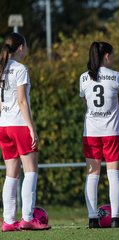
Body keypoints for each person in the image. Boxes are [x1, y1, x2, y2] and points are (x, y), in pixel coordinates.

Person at [0, 32, 50, 231]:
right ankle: (28, 218)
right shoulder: (20, 69)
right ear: (20, 47)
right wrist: (32, 129)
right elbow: (21, 101)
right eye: (26, 46)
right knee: (31, 171)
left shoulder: (1, 67)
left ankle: (9, 221)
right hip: (19, 125)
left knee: (11, 174)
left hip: (3, 125)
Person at [80, 41, 119, 228]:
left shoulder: (84, 78)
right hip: (112, 131)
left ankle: (92, 219)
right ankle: (115, 219)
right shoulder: (116, 76)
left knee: (93, 175)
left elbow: (85, 103)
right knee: (114, 174)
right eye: (112, 55)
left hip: (91, 132)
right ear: (107, 56)